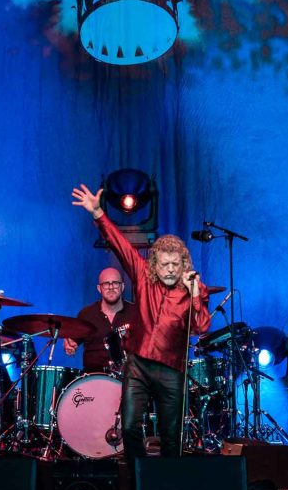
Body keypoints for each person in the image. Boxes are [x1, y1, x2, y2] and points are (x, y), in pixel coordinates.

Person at [71, 184, 210, 465]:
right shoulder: (143, 277)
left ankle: (167, 482)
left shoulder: (193, 289)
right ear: (154, 264)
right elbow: (120, 244)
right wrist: (98, 213)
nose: (170, 269)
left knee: (171, 436)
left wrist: (195, 294)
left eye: (175, 264)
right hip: (138, 365)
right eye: (164, 264)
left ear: (183, 265)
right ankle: (139, 479)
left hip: (172, 369)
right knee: (129, 426)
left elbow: (201, 327)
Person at [63, 267, 139, 374]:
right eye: (106, 284)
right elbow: (71, 341)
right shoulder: (86, 314)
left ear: (122, 287)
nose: (111, 287)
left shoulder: (136, 313)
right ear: (99, 288)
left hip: (127, 377)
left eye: (115, 283)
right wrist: (69, 345)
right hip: (93, 377)